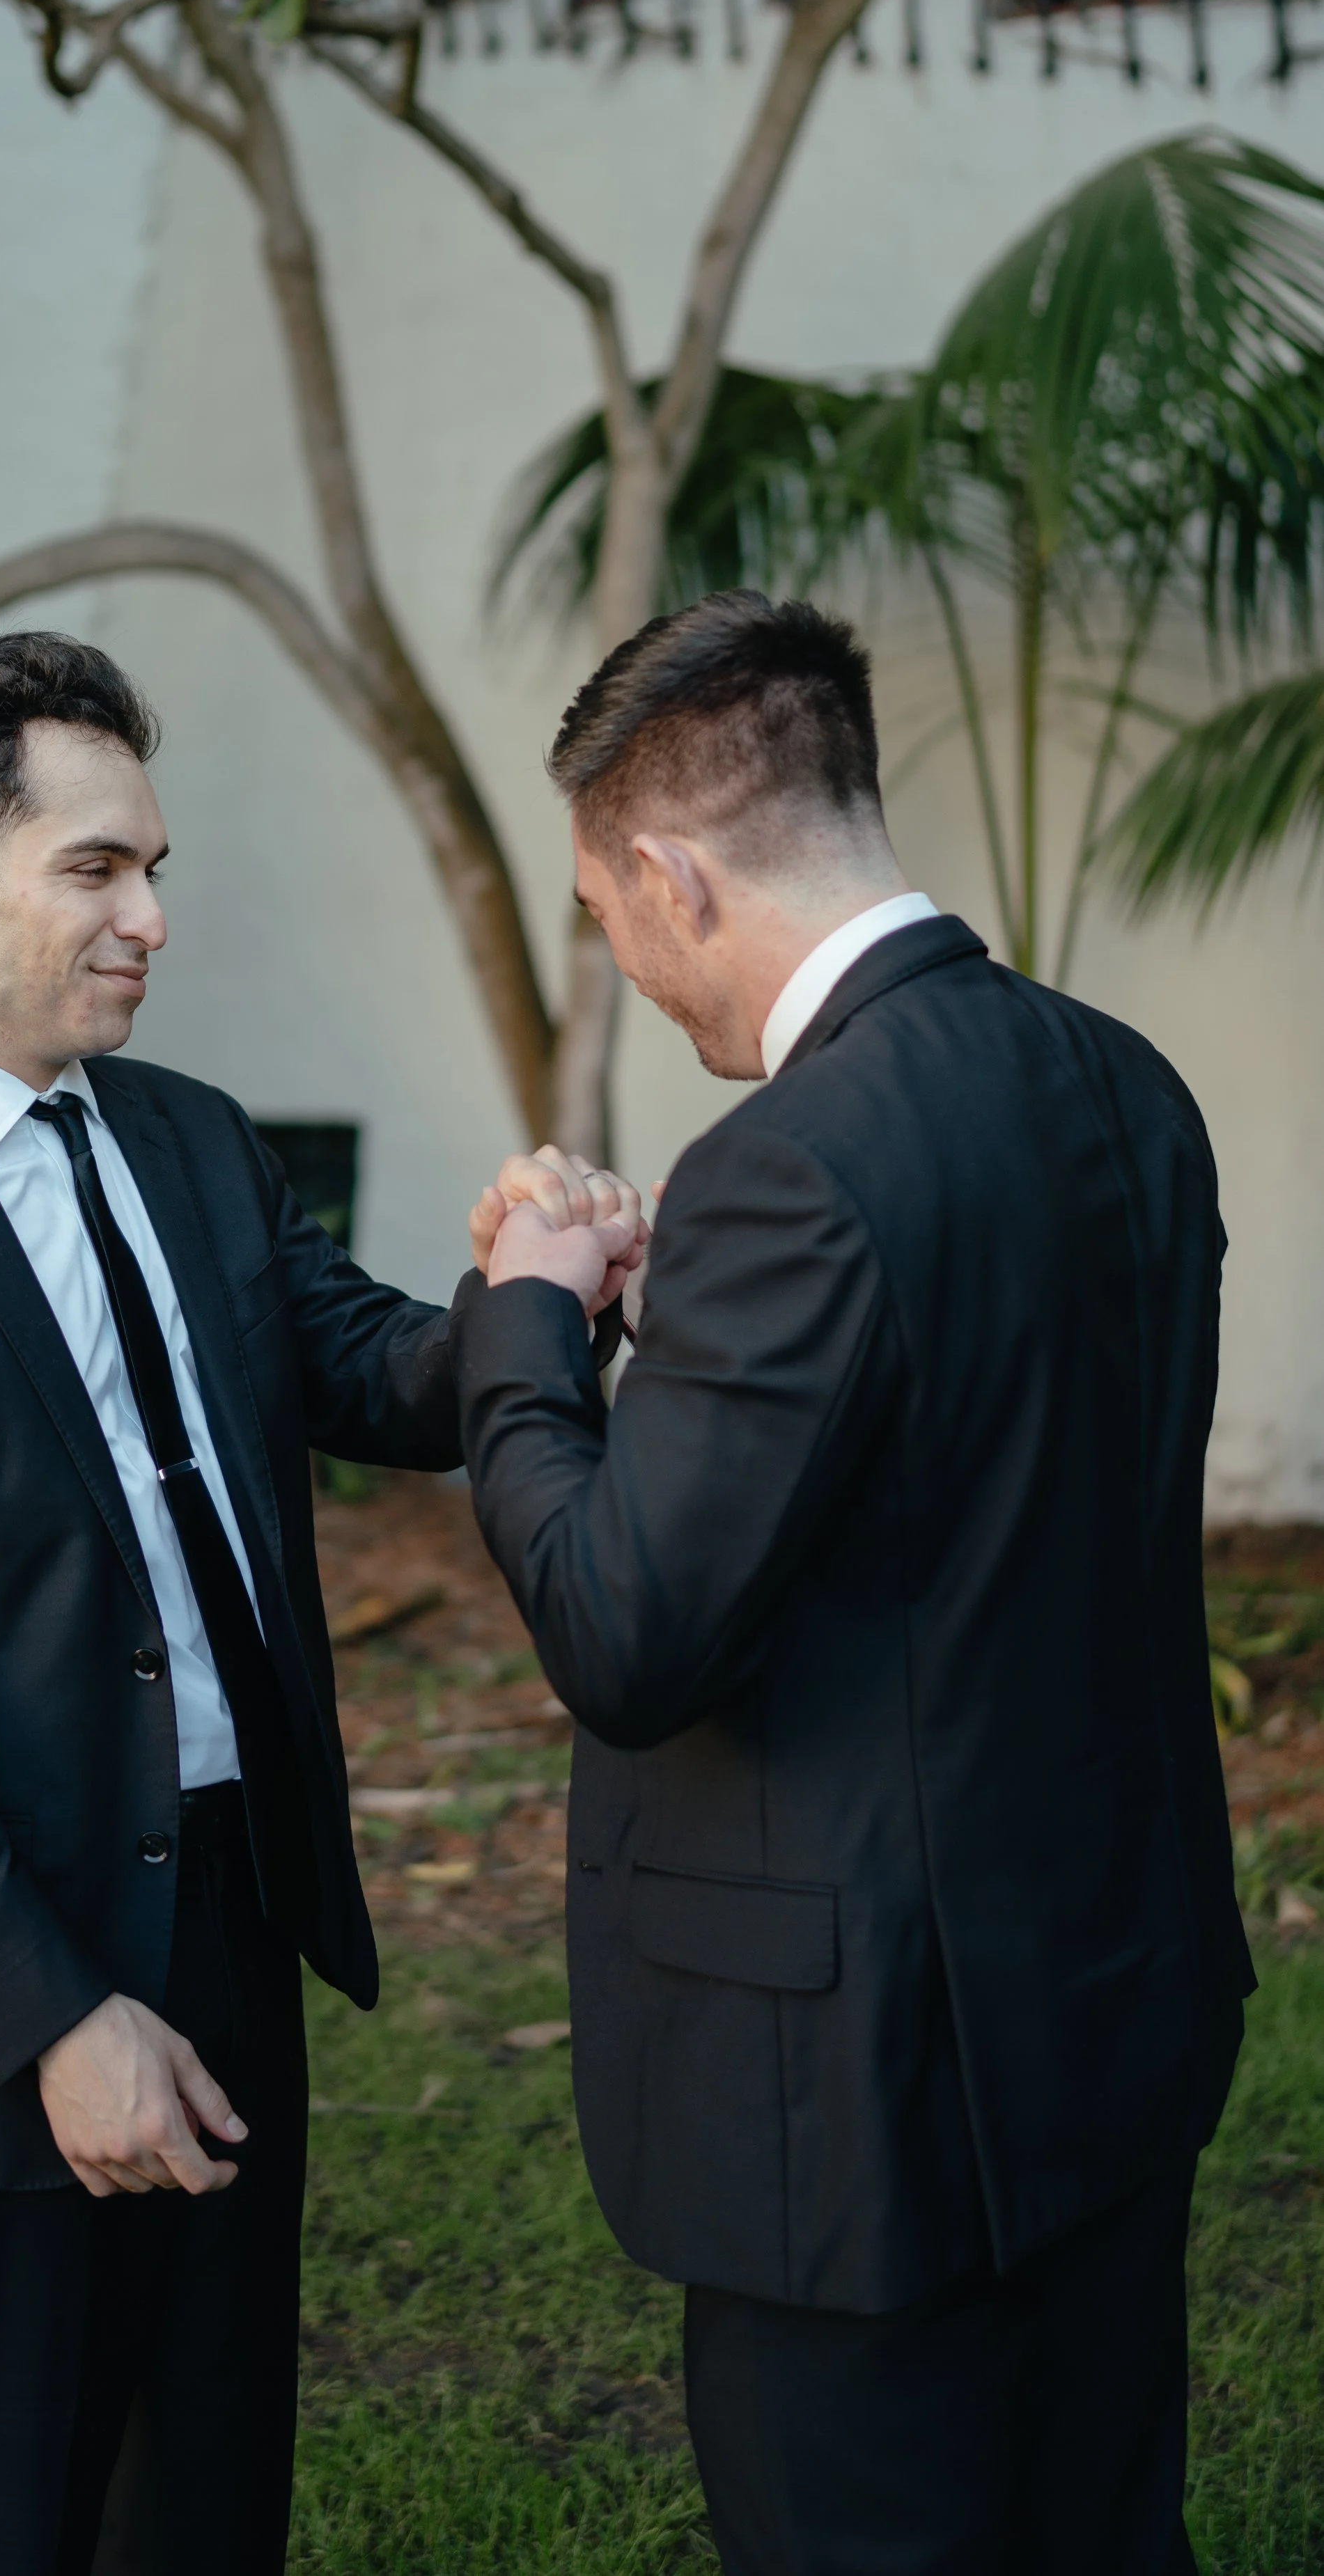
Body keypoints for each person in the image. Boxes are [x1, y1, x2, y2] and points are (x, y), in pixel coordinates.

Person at [0, 631, 634, 2576]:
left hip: (230, 1918)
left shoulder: (189, 1135)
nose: (153, 922)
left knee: (202, 2508)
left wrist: (539, 1290)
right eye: (98, 869)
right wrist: (50, 2018)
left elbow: (376, 1370)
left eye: (154, 868)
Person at [456, 590, 1252, 2574]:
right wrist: (704, 1326)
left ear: (671, 876)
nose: (624, 959)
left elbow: (625, 1633)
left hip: (863, 2096)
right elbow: (975, 1469)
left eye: (606, 911)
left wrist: (527, 1325)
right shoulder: (1124, 1086)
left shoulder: (787, 1163)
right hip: (1106, 2006)